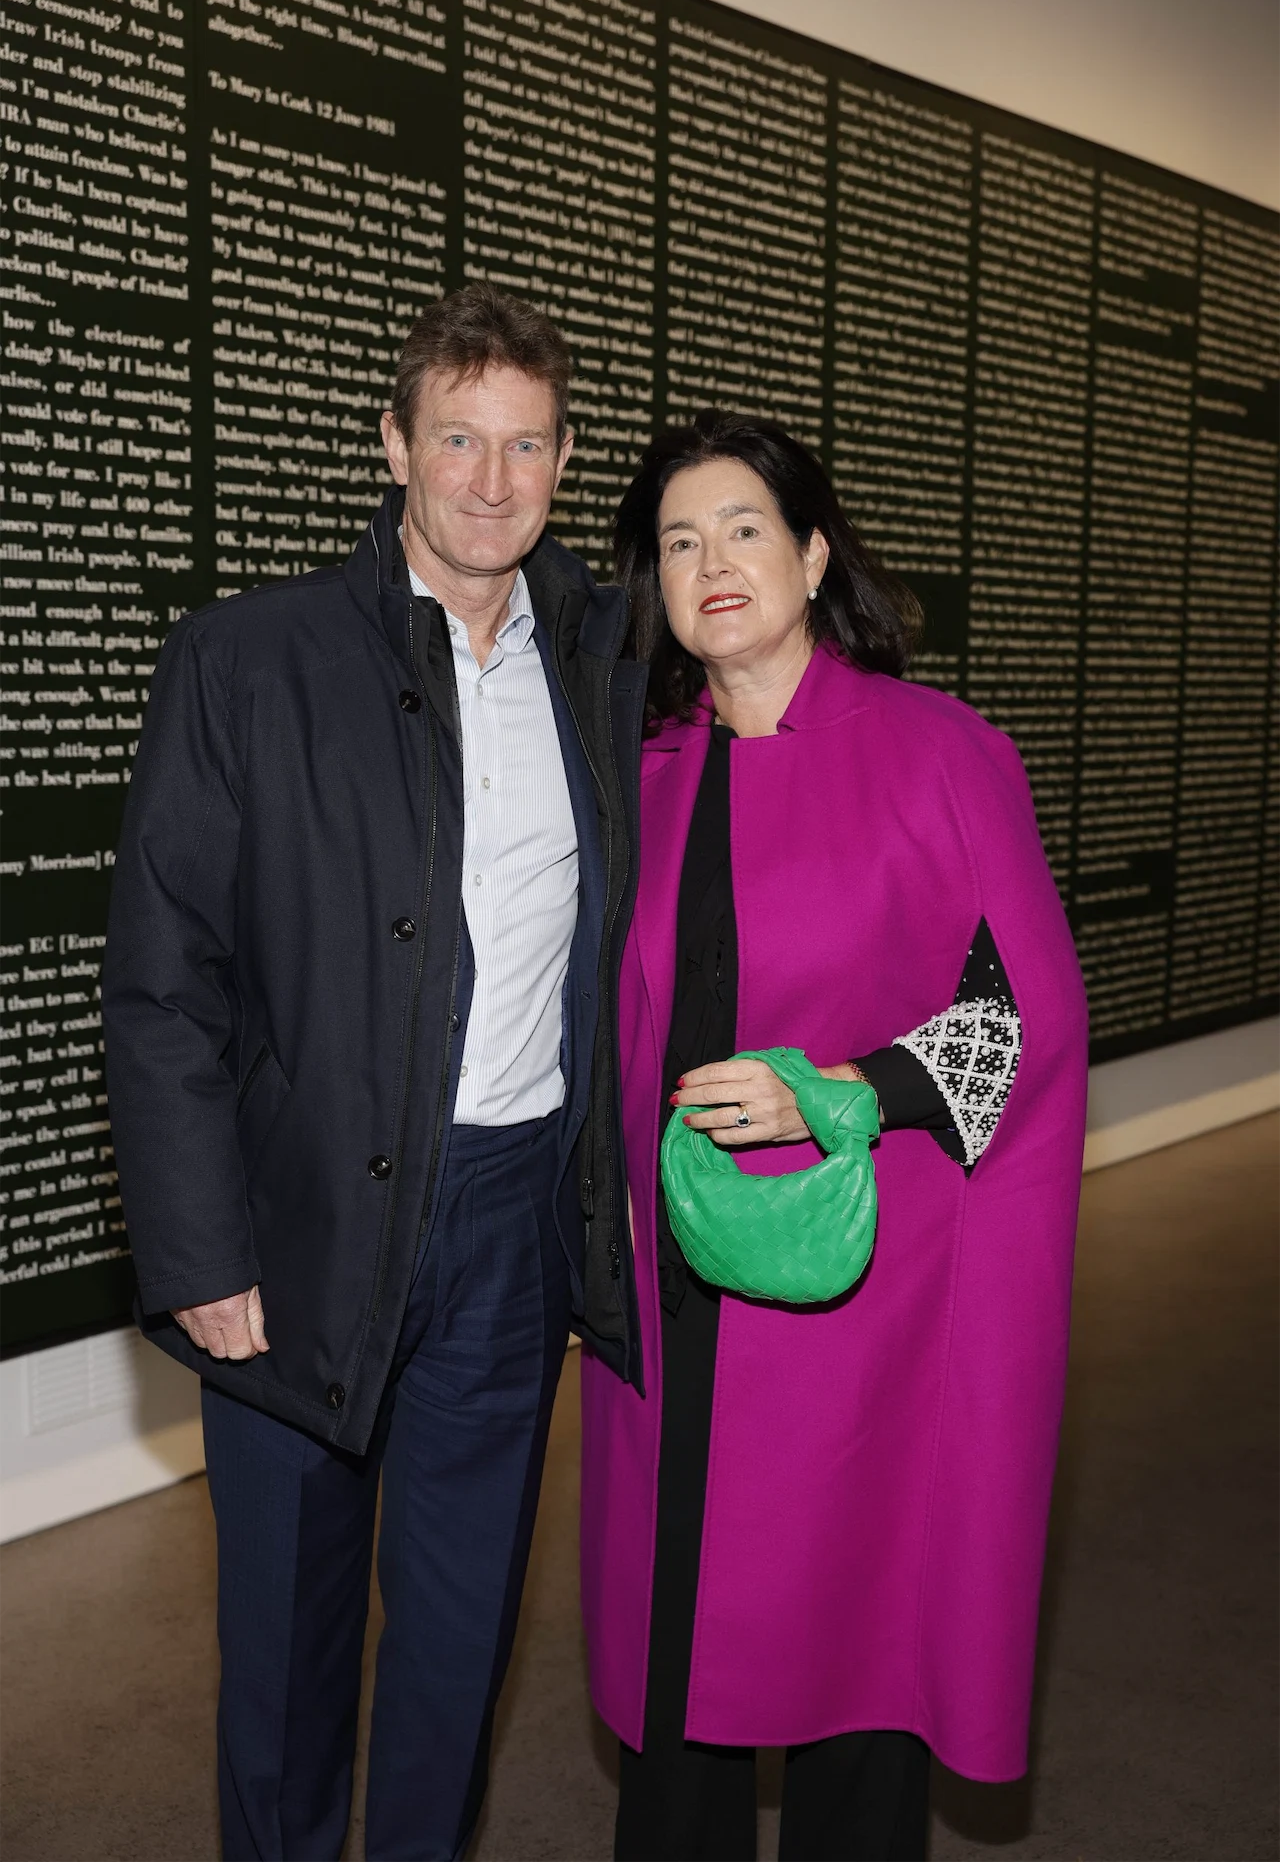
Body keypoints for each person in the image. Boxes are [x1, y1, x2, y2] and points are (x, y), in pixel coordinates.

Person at [101, 284, 646, 1862]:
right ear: (393, 444)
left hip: (509, 1224)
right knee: (284, 1648)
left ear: (563, 460)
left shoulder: (608, 660)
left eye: (527, 444)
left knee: (461, 1639)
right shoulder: (244, 660)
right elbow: (164, 986)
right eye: (458, 438)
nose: (492, 479)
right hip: (298, 1226)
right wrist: (198, 1251)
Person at [580, 411, 1090, 1861]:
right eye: (679, 541)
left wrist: (843, 1087)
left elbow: (1028, 1017)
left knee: (855, 1635)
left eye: (744, 529)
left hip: (863, 1283)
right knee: (677, 1631)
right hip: (677, 1284)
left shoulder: (939, 752)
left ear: (812, 555)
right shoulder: (637, 770)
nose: (712, 563)